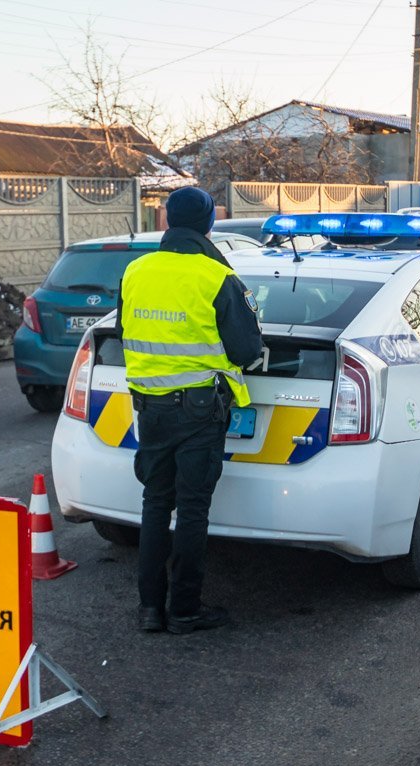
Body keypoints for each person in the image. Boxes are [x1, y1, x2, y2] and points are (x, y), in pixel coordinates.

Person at [116, 187, 263, 634]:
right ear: (208, 225)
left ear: (165, 220)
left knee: (155, 504)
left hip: (151, 409)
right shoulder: (216, 275)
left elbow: (125, 328)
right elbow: (245, 349)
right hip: (199, 411)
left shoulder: (135, 271)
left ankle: (149, 610)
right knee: (194, 510)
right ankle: (184, 609)